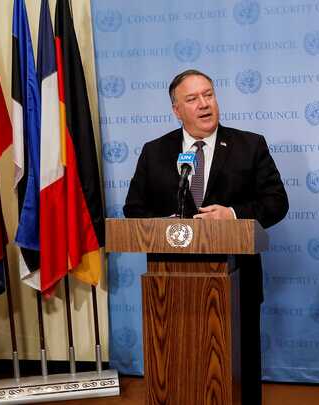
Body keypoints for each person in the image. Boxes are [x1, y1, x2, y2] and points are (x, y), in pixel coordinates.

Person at [124, 69, 289, 404]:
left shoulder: (249, 145)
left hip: (237, 281)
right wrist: (164, 225)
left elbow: (276, 202)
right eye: (192, 98)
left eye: (208, 94)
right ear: (177, 110)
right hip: (169, 289)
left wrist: (232, 215)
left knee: (239, 372)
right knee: (176, 365)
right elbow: (133, 209)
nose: (204, 104)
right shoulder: (155, 151)